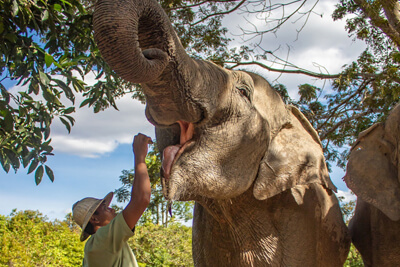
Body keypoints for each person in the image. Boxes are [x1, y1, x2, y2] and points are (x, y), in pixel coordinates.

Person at [72, 133, 152, 266]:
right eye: (105, 208)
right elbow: (141, 199)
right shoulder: (102, 240)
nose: (112, 208)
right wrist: (139, 156)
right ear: (94, 219)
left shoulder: (99, 245)